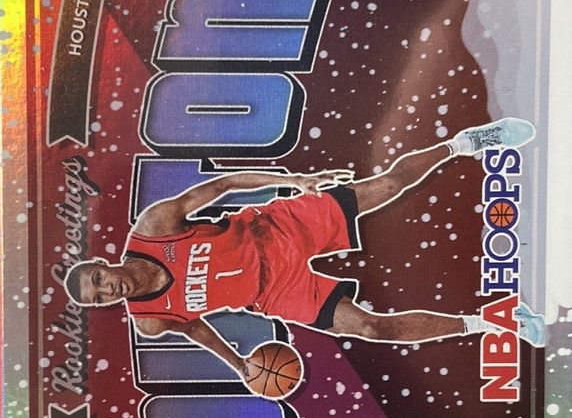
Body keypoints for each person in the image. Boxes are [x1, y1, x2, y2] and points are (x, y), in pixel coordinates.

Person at [65, 117, 545, 383]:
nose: (107, 290)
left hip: (277, 230)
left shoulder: (153, 228)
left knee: (387, 185)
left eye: (98, 280)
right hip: (274, 292)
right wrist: (241, 366)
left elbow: (224, 185)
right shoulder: (150, 319)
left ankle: (466, 142)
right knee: (371, 328)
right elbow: (197, 330)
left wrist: (293, 180)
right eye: (99, 297)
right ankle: (499, 321)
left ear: (103, 263)